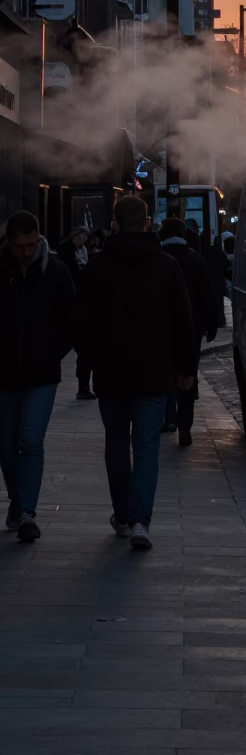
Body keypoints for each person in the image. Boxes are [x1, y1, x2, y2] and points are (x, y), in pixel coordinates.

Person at [76, 194, 196, 550]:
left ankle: (123, 516)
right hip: (154, 372)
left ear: (114, 223)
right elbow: (182, 320)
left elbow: (83, 323)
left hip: (111, 372)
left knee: (116, 445)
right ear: (147, 224)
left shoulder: (98, 267)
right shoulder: (166, 265)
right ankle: (142, 520)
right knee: (146, 447)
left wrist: (90, 359)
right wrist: (187, 368)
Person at [0, 211, 75, 542]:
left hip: (42, 373)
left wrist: (52, 351)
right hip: (2, 373)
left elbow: (72, 319)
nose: (27, 252)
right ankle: (18, 502)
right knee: (5, 447)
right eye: (20, 246)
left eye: (32, 245)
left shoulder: (56, 272)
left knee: (30, 440)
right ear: (9, 242)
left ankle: (27, 510)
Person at [158, 218, 219, 445]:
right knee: (187, 373)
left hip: (162, 328)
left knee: (164, 373)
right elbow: (207, 293)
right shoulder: (195, 258)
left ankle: (168, 418)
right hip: (192, 326)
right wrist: (212, 323)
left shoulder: (158, 259)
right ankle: (185, 424)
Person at [58, 227, 96, 400]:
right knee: (84, 348)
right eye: (81, 236)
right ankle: (83, 385)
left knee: (86, 349)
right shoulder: (66, 251)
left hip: (86, 303)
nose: (83, 239)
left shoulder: (88, 252)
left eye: (86, 237)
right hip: (76, 305)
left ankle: (85, 385)